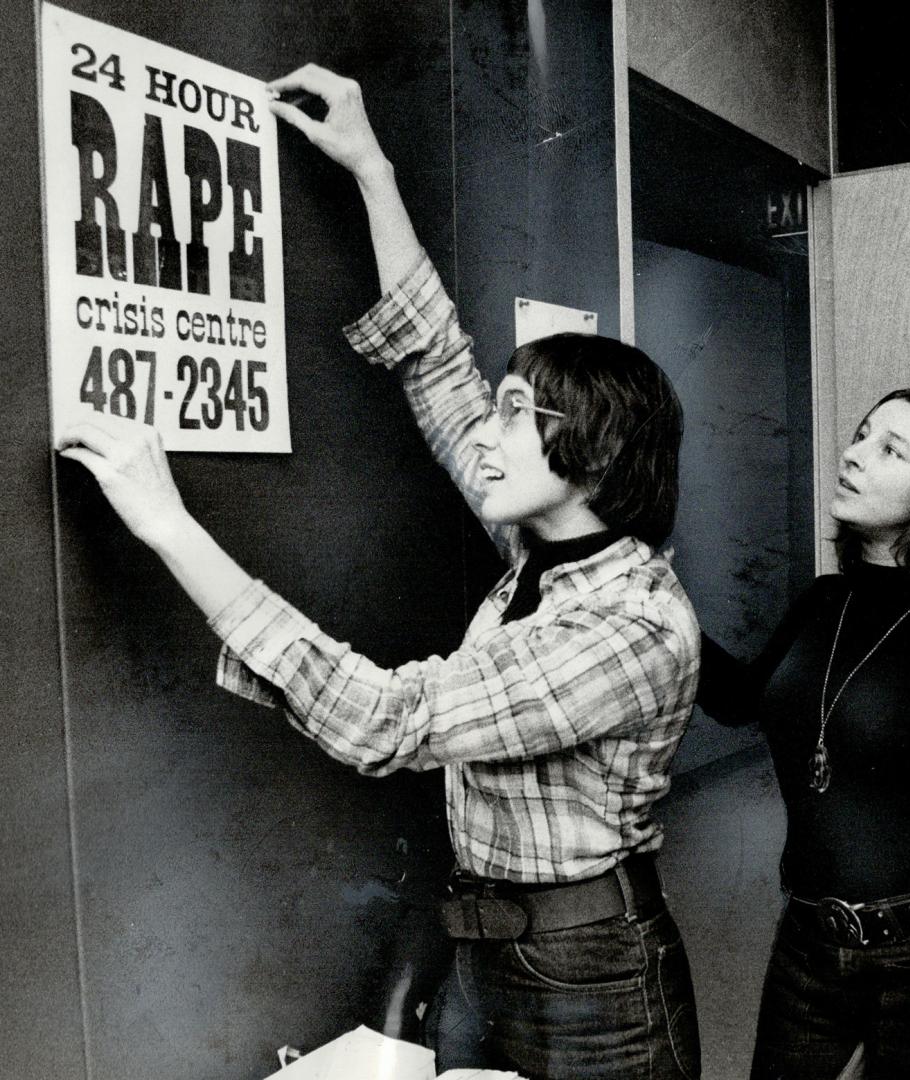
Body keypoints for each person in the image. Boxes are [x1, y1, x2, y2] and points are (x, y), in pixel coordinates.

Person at [57, 64, 702, 1080]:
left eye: (515, 417)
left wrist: (170, 526)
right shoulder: (544, 551)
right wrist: (369, 163)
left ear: (598, 455)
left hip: (594, 980)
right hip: (495, 946)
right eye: (497, 407)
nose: (483, 435)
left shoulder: (630, 630)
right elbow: (434, 361)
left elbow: (385, 721)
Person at [696, 389, 910, 1078]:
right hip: (808, 940)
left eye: (888, 448)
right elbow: (735, 701)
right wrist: (658, 607)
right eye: (862, 434)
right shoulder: (823, 601)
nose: (852, 453)